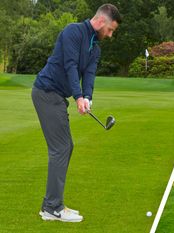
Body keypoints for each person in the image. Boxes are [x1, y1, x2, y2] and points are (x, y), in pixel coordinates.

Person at [32, 4, 121, 222]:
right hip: (46, 92)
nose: (110, 35)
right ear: (101, 22)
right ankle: (53, 208)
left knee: (64, 147)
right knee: (61, 147)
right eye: (110, 30)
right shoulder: (73, 32)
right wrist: (78, 96)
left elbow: (89, 73)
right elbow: (71, 65)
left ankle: (51, 206)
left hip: (56, 97)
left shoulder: (95, 48)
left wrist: (87, 97)